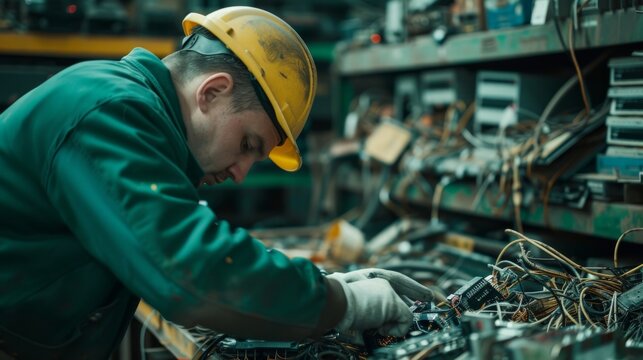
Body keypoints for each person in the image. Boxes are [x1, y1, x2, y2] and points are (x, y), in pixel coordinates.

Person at [0, 6, 433, 359]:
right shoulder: (110, 113)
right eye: (248, 143)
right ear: (212, 91)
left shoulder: (130, 109)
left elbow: (190, 243)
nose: (241, 173)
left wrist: (321, 284)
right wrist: (347, 304)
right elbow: (191, 272)